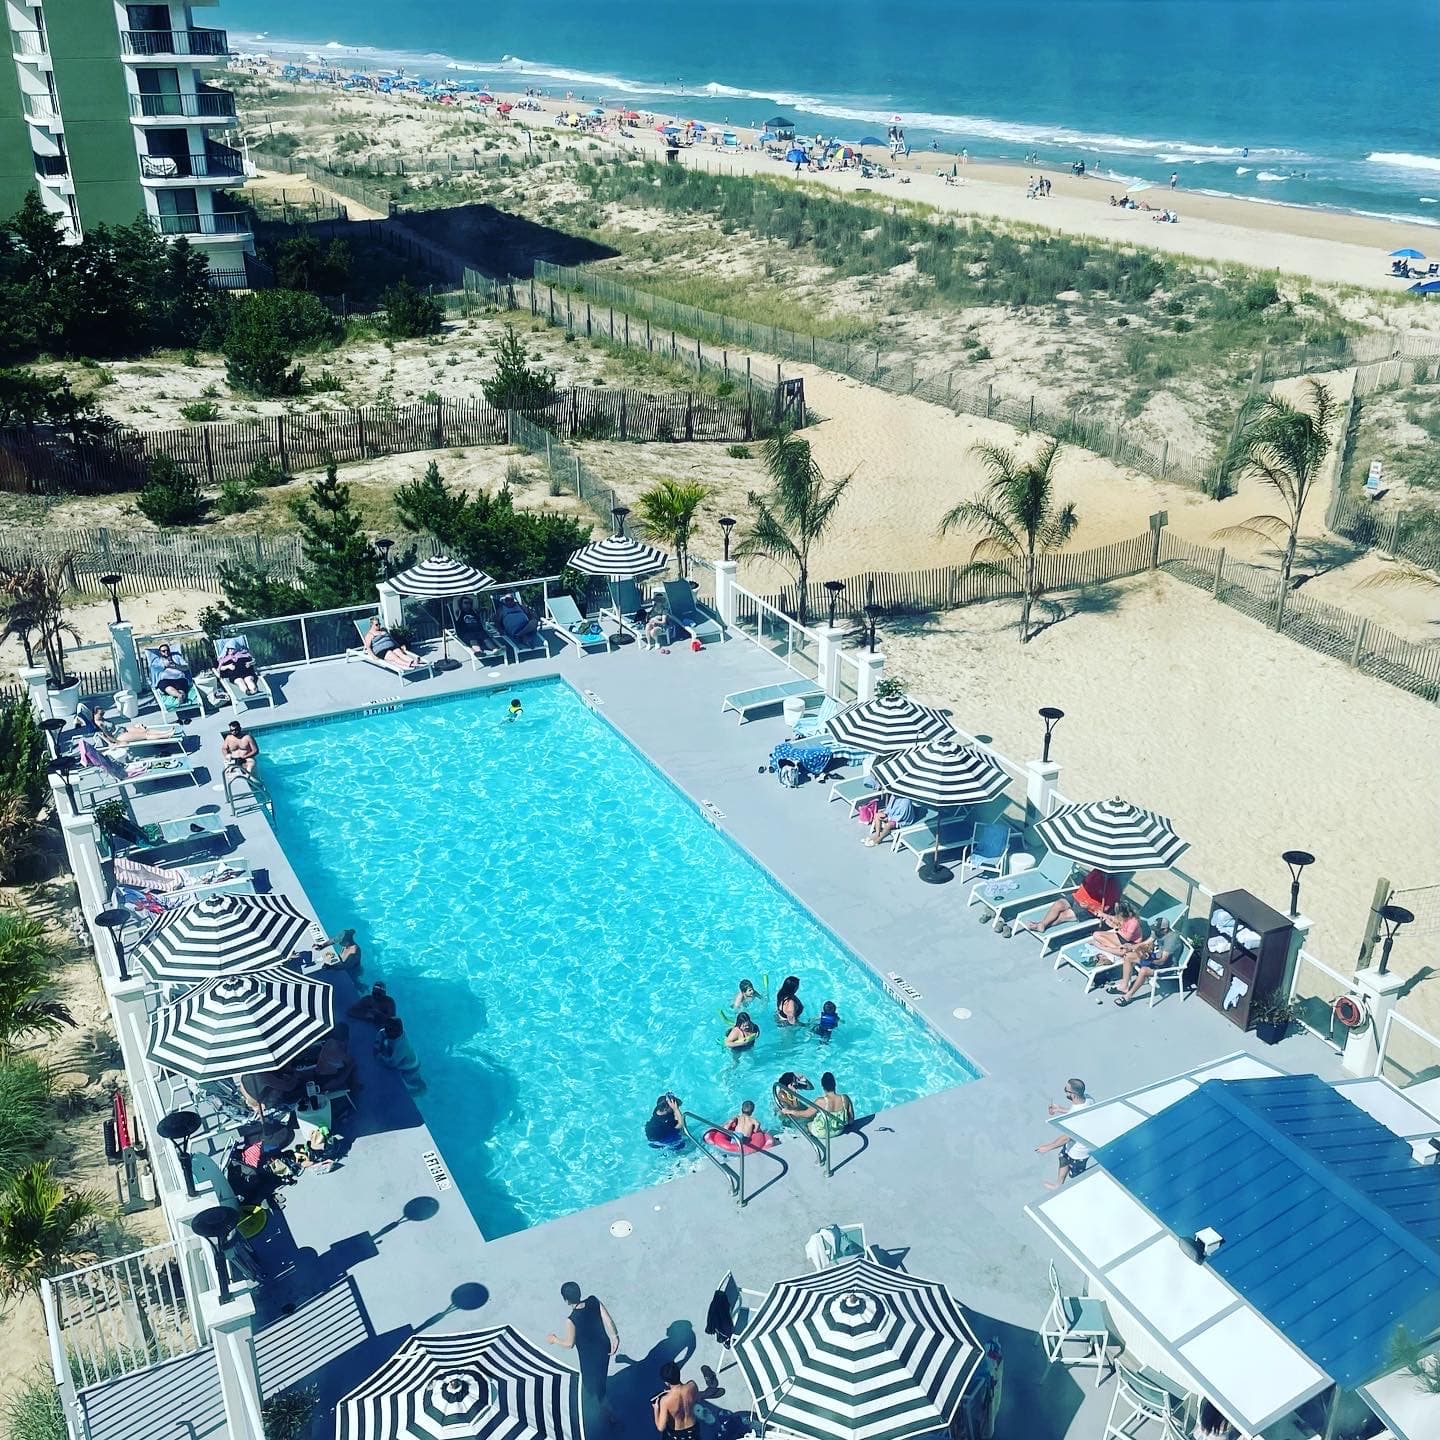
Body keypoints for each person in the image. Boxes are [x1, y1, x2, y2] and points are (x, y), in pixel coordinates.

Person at [548, 1283, 620, 1426]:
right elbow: (608, 1319)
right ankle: (600, 1395)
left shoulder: (571, 1320)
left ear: (566, 1300)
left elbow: (569, 1344)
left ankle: (610, 1415)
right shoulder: (593, 1300)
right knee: (600, 1379)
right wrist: (614, 1336)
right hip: (604, 1349)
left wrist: (554, 1340)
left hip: (590, 1359)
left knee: (595, 1388)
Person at [1110, 918, 1186, 1006]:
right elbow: (1146, 943)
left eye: (1157, 930)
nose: (1155, 932)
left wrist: (1147, 959)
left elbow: (1162, 961)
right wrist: (1131, 947)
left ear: (1165, 929)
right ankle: (1124, 987)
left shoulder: (1172, 940)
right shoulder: (1158, 931)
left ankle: (1128, 996)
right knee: (1128, 957)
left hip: (1168, 967)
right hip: (1156, 957)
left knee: (1143, 971)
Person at [1021, 869, 1123, 933]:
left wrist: (1089, 907)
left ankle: (1041, 925)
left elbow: (1106, 909)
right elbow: (1084, 883)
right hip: (1077, 897)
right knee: (1058, 904)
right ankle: (1042, 924)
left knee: (1064, 915)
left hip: (1089, 909)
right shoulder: (1096, 872)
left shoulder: (1113, 887)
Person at [1035, 1078, 1093, 1189]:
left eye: (1066, 1090)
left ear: (1074, 1094)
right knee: (1063, 1158)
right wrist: (1060, 1109)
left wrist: (1048, 1147)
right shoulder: (1088, 1099)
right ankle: (1058, 1185)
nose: (1065, 1091)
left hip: (1079, 1153)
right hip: (1072, 1146)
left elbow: (1066, 1138)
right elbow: (1075, 1110)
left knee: (1077, 1178)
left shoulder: (1076, 1118)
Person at [653, 1360, 699, 1439]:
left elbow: (661, 1427)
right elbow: (694, 1399)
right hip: (693, 1429)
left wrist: (656, 1409)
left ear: (666, 1382)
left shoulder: (665, 1401)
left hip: (676, 1433)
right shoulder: (692, 1385)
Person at [374, 1017, 423, 1089]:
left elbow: (392, 1063)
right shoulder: (391, 1032)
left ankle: (422, 1088)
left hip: (410, 1066)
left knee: (410, 1080)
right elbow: (381, 1033)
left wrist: (379, 1055)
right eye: (386, 1028)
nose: (386, 1031)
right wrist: (377, 1045)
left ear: (399, 1032)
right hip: (405, 1058)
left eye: (389, 1030)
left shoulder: (401, 1047)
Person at [809, 1071, 853, 1140]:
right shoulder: (845, 1098)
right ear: (835, 1084)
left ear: (823, 1086)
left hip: (822, 1134)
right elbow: (851, 1120)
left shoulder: (820, 1101)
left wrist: (791, 1111)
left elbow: (806, 1114)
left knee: (808, 1124)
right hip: (839, 1131)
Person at [313, 1023, 358, 1089]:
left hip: (317, 1075)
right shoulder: (338, 1050)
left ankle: (353, 1083)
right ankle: (354, 1083)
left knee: (344, 1065)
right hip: (326, 1082)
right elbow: (350, 1061)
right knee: (352, 1064)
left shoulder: (330, 1041)